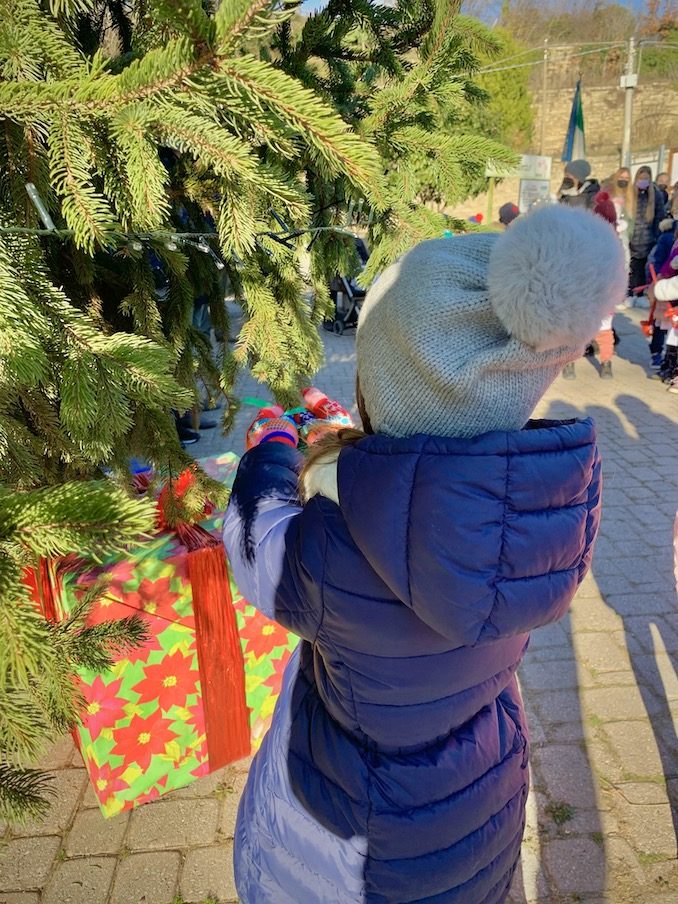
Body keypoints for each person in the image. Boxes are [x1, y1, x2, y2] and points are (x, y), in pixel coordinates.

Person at [222, 205, 626, 904]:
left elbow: (252, 541)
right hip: (479, 798)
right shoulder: (533, 512)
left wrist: (274, 451)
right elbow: (428, 498)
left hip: (361, 838)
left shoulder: (331, 549)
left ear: (386, 394)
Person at [628, 165, 666, 295]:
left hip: (648, 239)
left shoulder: (656, 195)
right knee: (631, 268)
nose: (643, 181)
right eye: (641, 178)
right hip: (632, 238)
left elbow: (660, 216)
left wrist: (656, 236)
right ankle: (629, 293)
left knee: (643, 269)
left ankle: (640, 293)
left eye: (646, 178)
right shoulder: (630, 193)